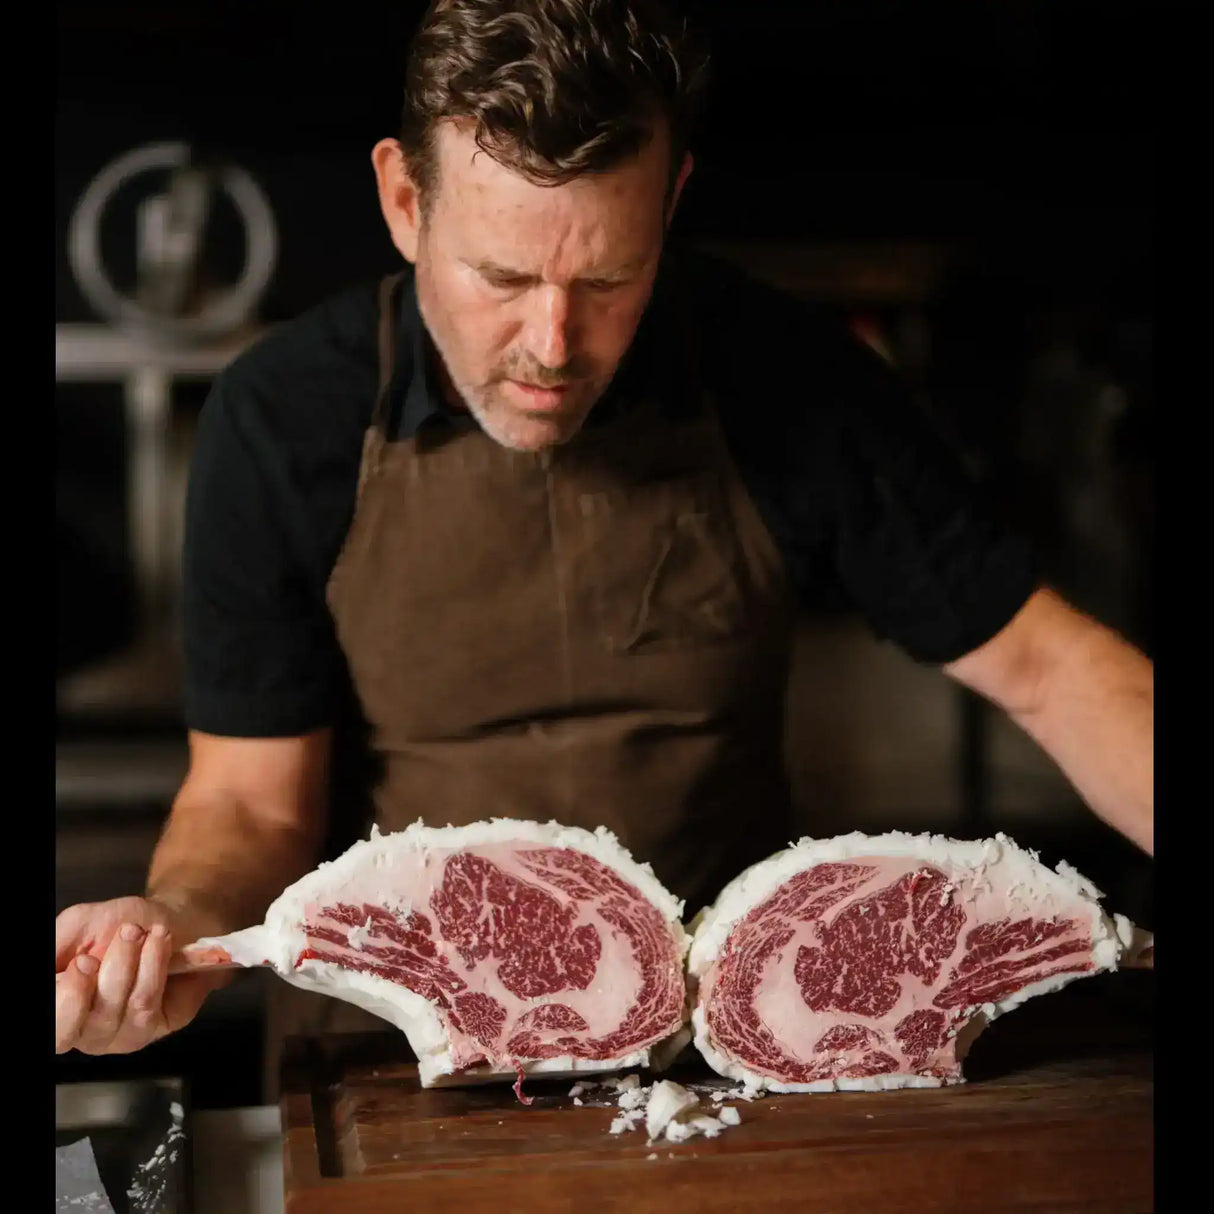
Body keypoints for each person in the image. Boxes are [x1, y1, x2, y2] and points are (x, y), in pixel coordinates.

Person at [55, 0, 1152, 1086]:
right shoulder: (285, 419)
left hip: (742, 1049)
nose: (550, 345)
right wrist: (170, 929)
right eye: (500, 277)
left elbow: (1050, 669)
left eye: (608, 279)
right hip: (403, 1064)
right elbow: (251, 802)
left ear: (670, 203)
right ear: (403, 199)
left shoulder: (786, 382)